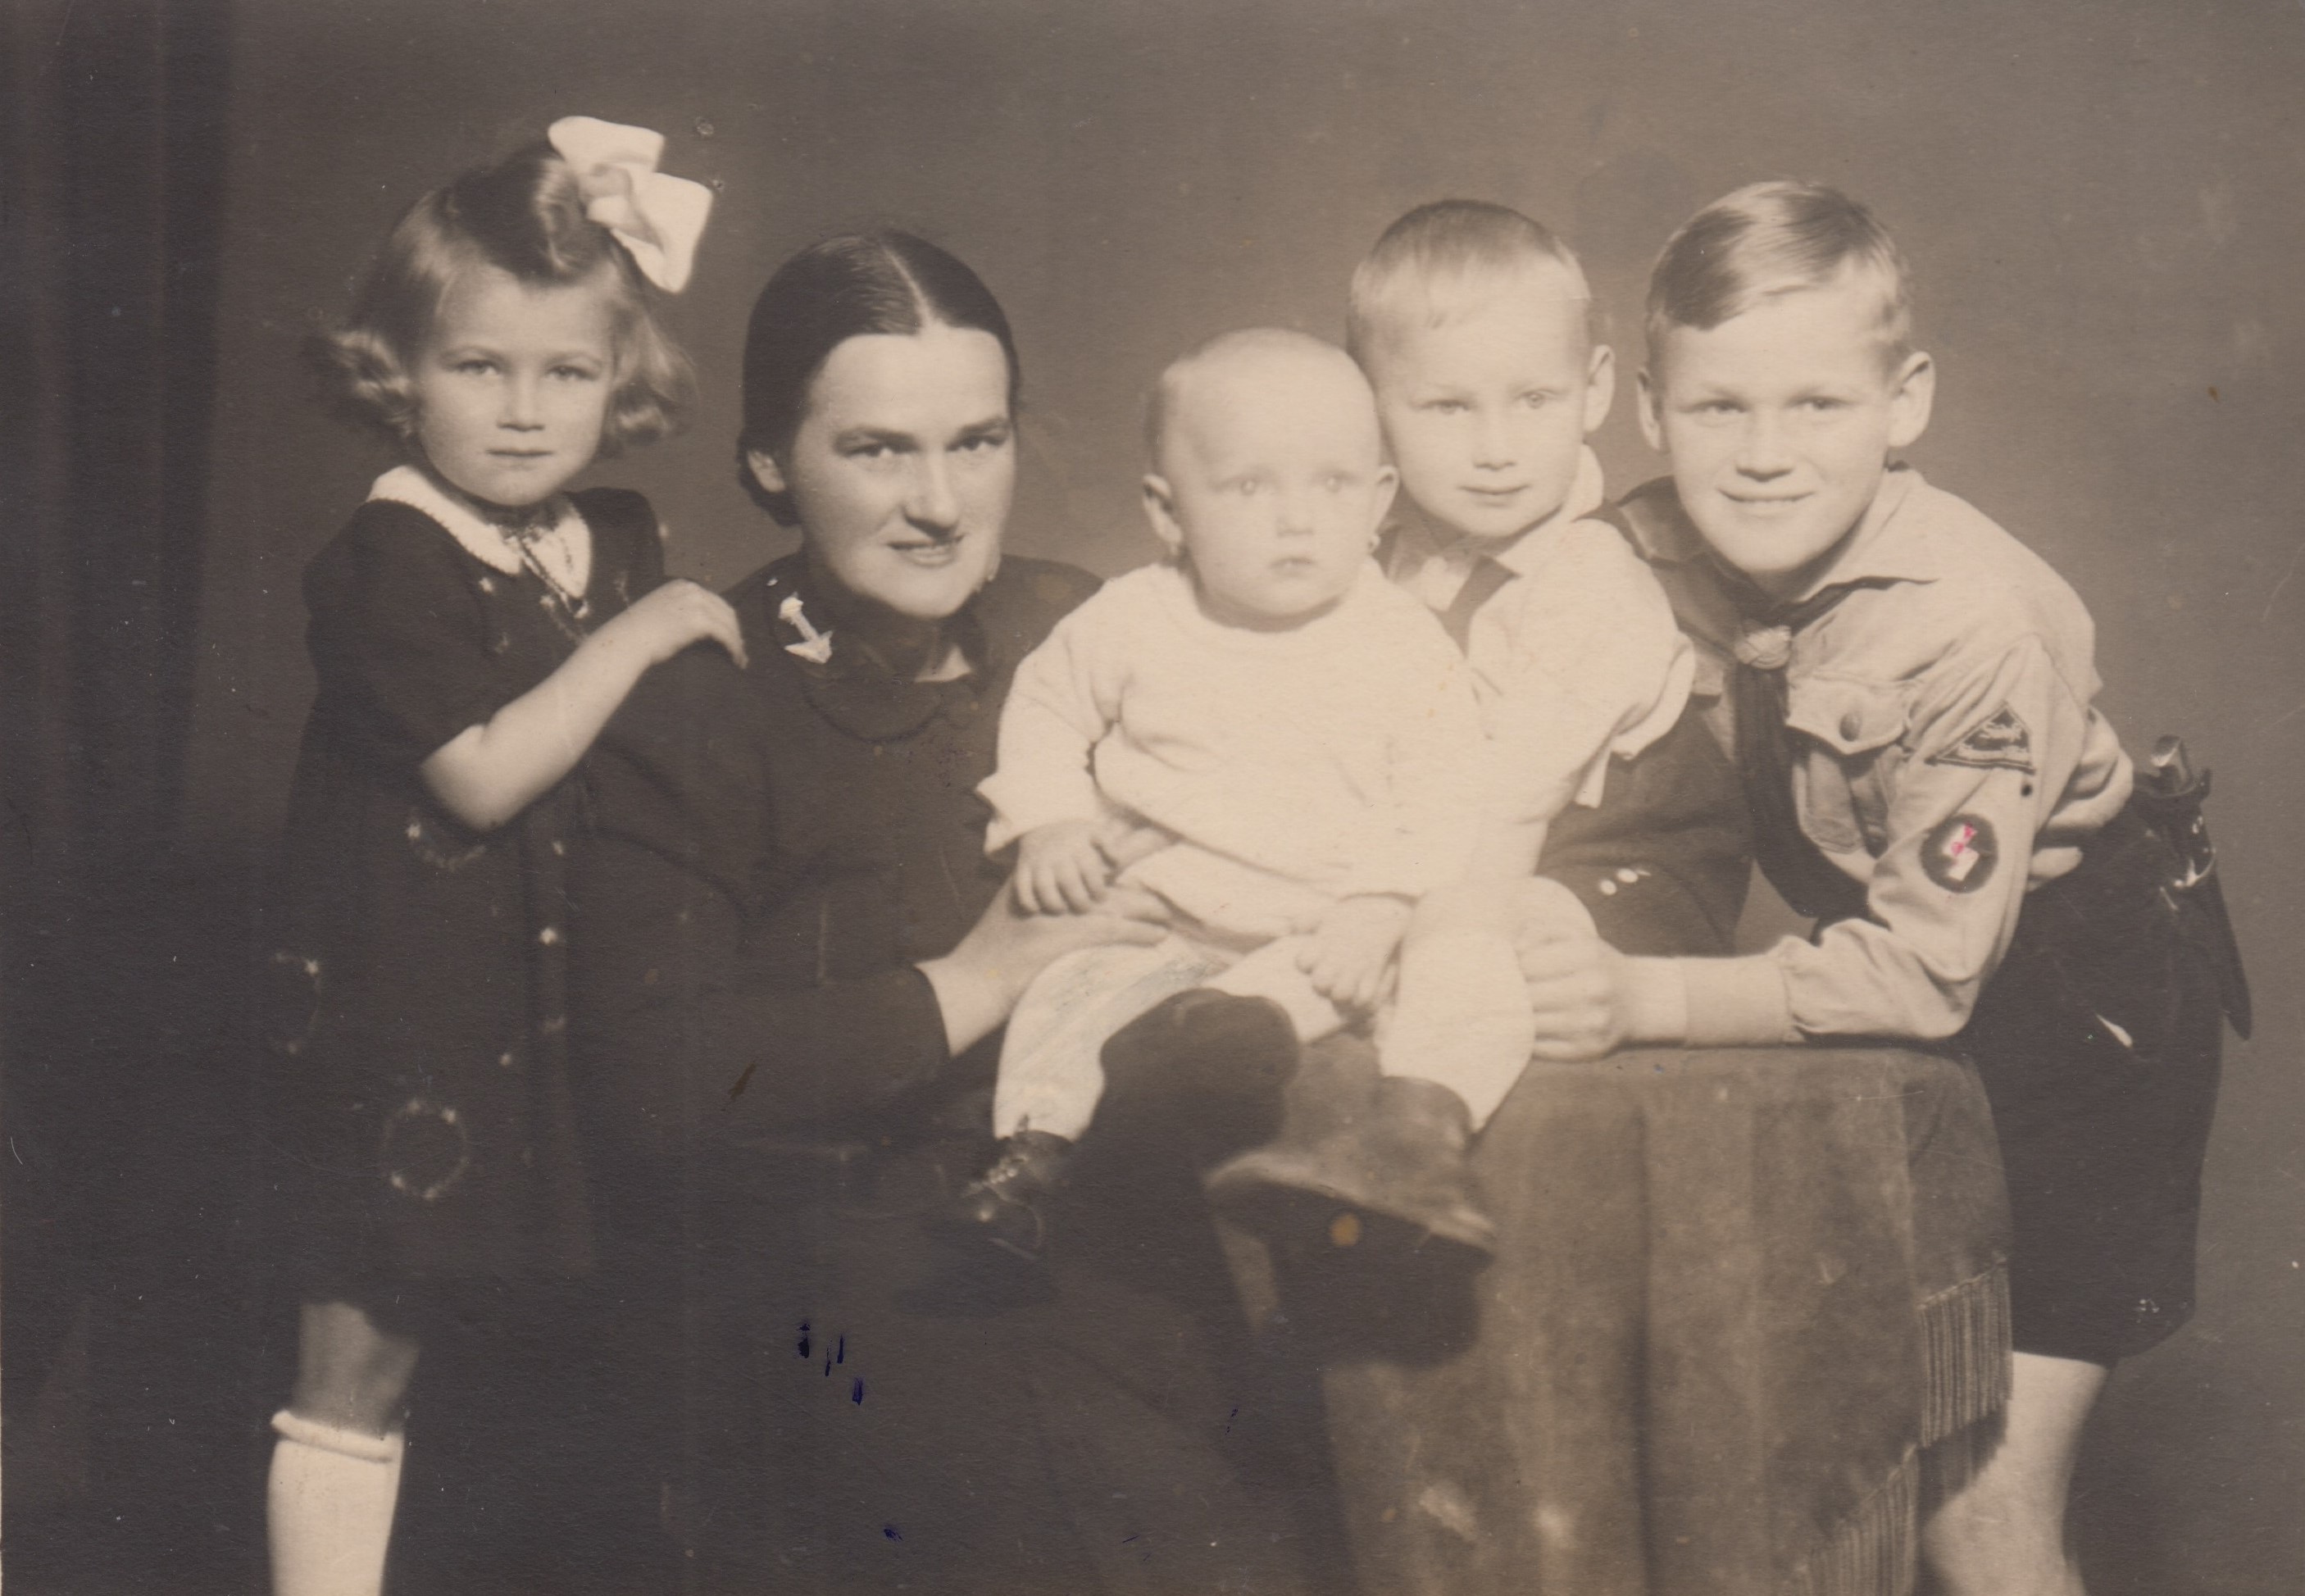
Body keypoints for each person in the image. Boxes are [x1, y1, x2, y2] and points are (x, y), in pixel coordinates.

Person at [571, 233, 1325, 1594]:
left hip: (1120, 1224)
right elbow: (649, 1078)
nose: (938, 503)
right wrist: (974, 979)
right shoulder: (700, 700)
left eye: (976, 443)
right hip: (843, 1285)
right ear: (768, 464)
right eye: (877, 451)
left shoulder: (1083, 628)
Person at [1517, 180, 2239, 1596]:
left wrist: (1635, 996)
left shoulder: (1977, 617)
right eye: (1719, 407)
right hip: (1898, 1014)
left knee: (1975, 1517)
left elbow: (1923, 968)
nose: (1763, 456)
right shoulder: (1630, 550)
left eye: (1817, 405)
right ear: (1648, 409)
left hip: (2081, 1019)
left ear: (1905, 402)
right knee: (1832, 1456)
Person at [258, 120, 734, 1596]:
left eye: (568, 372)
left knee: (585, 1353)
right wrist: (645, 636)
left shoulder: (612, 536)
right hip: (414, 1021)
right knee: (367, 1351)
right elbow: (479, 774)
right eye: (478, 366)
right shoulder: (388, 554)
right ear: (401, 371)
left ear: (619, 376)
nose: (525, 414)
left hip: (565, 1013)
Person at [946, 327, 1496, 1262]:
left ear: (1378, 501)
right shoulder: (1133, 618)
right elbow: (1044, 707)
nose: (1296, 519)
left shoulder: (1400, 641)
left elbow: (1448, 790)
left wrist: (1381, 903)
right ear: (1168, 512)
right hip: (1160, 920)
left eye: (1332, 485)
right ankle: (1032, 1160)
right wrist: (1050, 821)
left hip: (1318, 936)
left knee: (1442, 984)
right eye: (1249, 487)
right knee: (1068, 994)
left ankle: (1368, 1142)